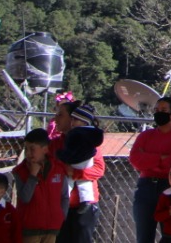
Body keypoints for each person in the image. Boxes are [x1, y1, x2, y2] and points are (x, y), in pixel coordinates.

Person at [132, 97, 171, 243]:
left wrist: (148, 158)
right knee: (143, 236)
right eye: (157, 110)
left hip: (169, 188)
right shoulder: (145, 135)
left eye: (164, 110)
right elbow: (135, 159)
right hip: (145, 187)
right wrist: (161, 158)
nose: (159, 113)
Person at [51, 102, 106, 243]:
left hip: (84, 204)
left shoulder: (88, 142)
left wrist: (75, 173)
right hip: (60, 204)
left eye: (60, 115)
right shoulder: (54, 144)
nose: (56, 118)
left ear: (72, 119)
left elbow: (98, 169)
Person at [13, 127, 70, 243]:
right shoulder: (20, 171)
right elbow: (25, 198)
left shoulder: (58, 169)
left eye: (32, 149)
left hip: (52, 228)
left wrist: (61, 216)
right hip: (29, 229)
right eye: (26, 149)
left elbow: (64, 196)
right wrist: (33, 175)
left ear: (45, 149)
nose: (28, 153)